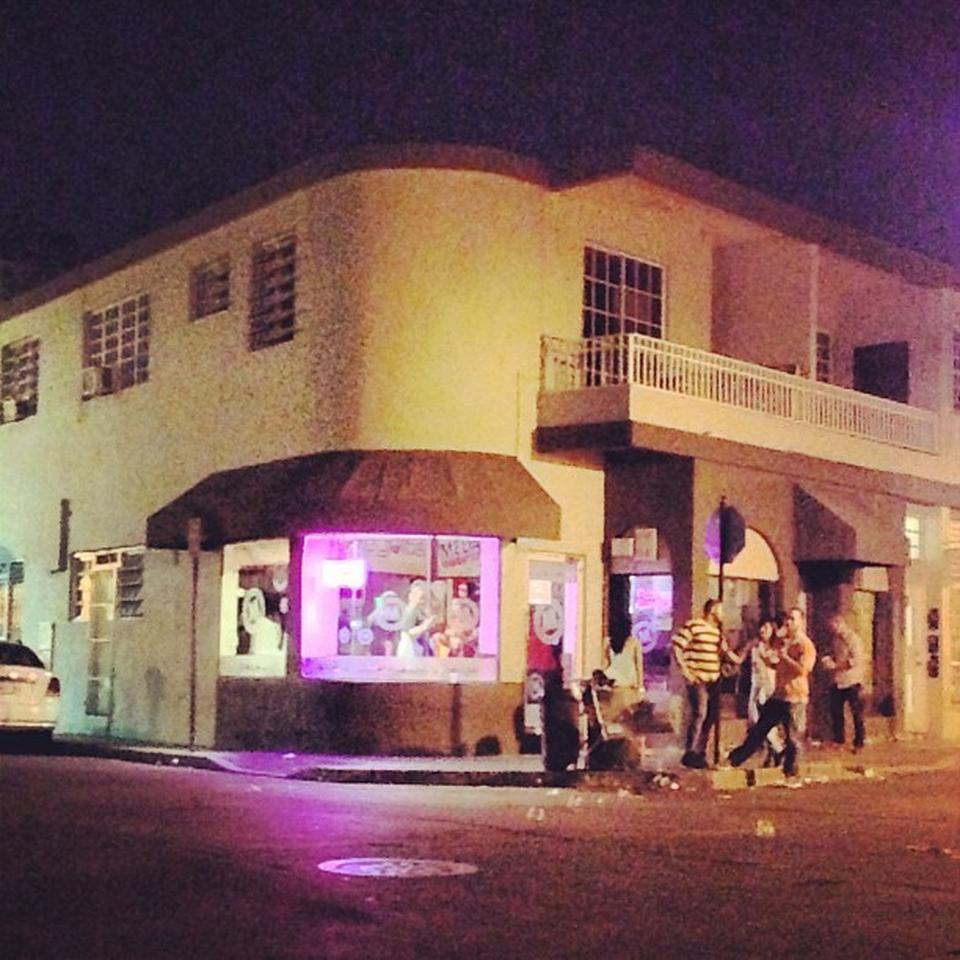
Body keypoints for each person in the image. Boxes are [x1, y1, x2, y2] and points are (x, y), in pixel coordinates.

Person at [728, 606, 817, 777]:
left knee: (792, 737)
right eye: (787, 618)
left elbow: (803, 670)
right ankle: (735, 759)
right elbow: (778, 665)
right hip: (779, 694)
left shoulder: (805, 645)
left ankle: (791, 771)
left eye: (793, 619)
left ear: (801, 621)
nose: (788, 622)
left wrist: (785, 657)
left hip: (795, 697)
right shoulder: (784, 642)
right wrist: (768, 660)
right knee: (759, 729)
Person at [671, 598, 738, 769]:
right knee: (700, 712)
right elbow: (677, 645)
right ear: (713, 610)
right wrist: (685, 670)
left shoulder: (716, 633)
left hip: (713, 679)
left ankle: (701, 752)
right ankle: (690, 751)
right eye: (721, 610)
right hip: (698, 678)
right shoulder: (694, 626)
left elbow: (725, 653)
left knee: (711, 715)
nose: (723, 614)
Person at [821, 614, 866, 752]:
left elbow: (856, 659)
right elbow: (829, 653)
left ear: (841, 623)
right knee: (836, 711)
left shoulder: (853, 639)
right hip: (837, 680)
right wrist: (827, 660)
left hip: (852, 680)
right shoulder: (835, 639)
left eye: (834, 626)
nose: (833, 629)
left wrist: (837, 666)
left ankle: (859, 741)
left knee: (856, 713)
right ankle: (838, 739)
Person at [746, 617, 786, 766]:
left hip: (768, 685)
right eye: (761, 627)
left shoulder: (776, 648)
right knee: (756, 720)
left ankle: (777, 749)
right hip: (756, 685)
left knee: (763, 721)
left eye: (766, 628)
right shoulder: (756, 646)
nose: (762, 630)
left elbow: (775, 663)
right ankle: (775, 750)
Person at [602, 631, 646, 725]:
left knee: (615, 715)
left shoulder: (608, 642)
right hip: (629, 683)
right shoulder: (634, 642)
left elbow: (606, 663)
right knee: (628, 718)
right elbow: (639, 664)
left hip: (614, 682)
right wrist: (641, 686)